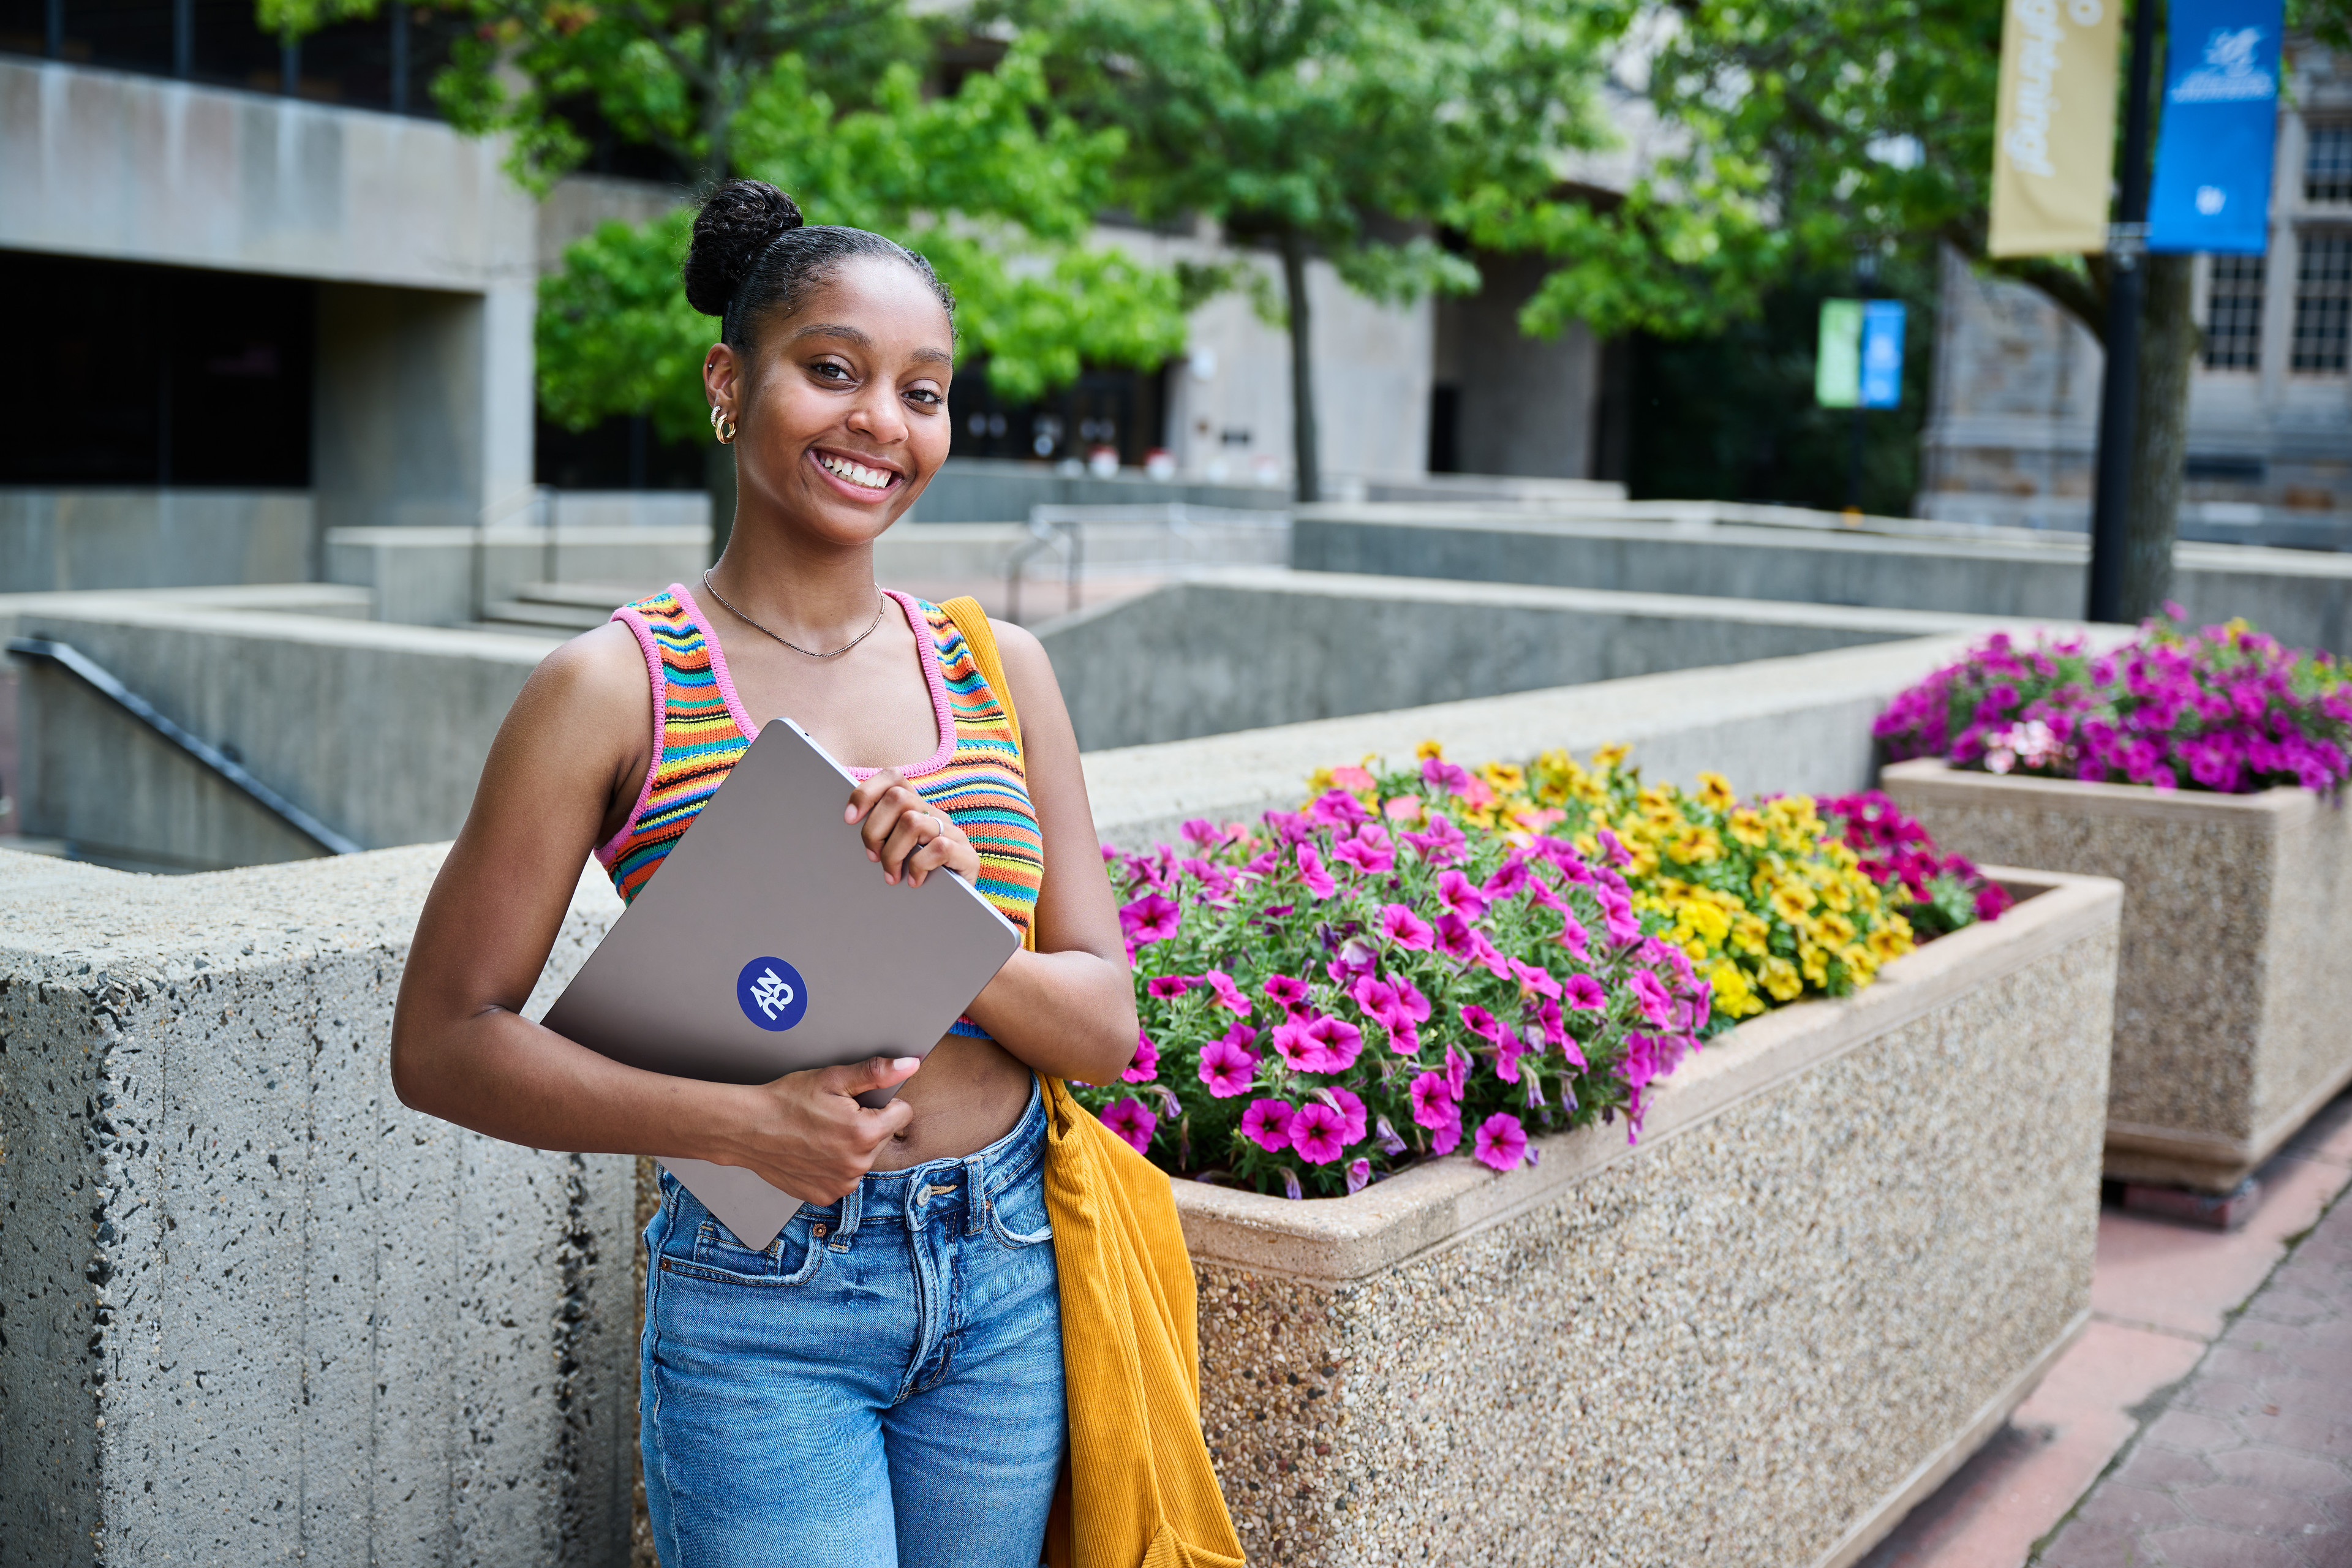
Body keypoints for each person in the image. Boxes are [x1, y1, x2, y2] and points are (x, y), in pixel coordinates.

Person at [390, 178, 1140, 1568]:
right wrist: (748, 1129)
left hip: (1004, 1267)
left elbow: (1106, 1025)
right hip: (763, 1299)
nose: (881, 423)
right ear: (731, 382)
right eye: (833, 371)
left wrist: (956, 923)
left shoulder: (998, 667)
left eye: (924, 391)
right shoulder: (612, 686)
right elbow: (442, 1043)